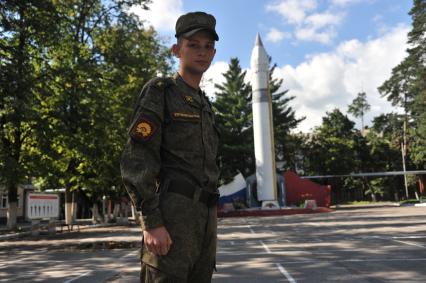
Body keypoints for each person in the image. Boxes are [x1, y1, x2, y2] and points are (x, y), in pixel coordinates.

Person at [120, 11, 220, 283]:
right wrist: (151, 222)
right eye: (193, 45)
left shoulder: (204, 105)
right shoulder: (161, 92)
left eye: (208, 46)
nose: (202, 52)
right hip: (172, 218)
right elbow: (137, 160)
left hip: (205, 221)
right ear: (177, 50)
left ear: (213, 53)